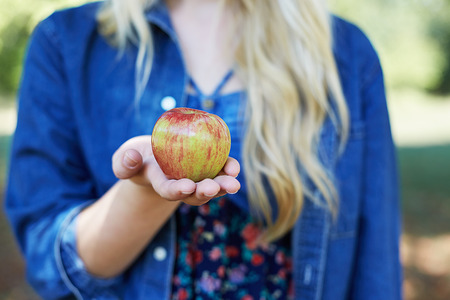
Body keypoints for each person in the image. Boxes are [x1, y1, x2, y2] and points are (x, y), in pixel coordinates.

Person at [5, 0, 402, 299]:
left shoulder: (345, 55)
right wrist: (146, 191)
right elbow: (48, 260)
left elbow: (376, 261)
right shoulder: (67, 43)